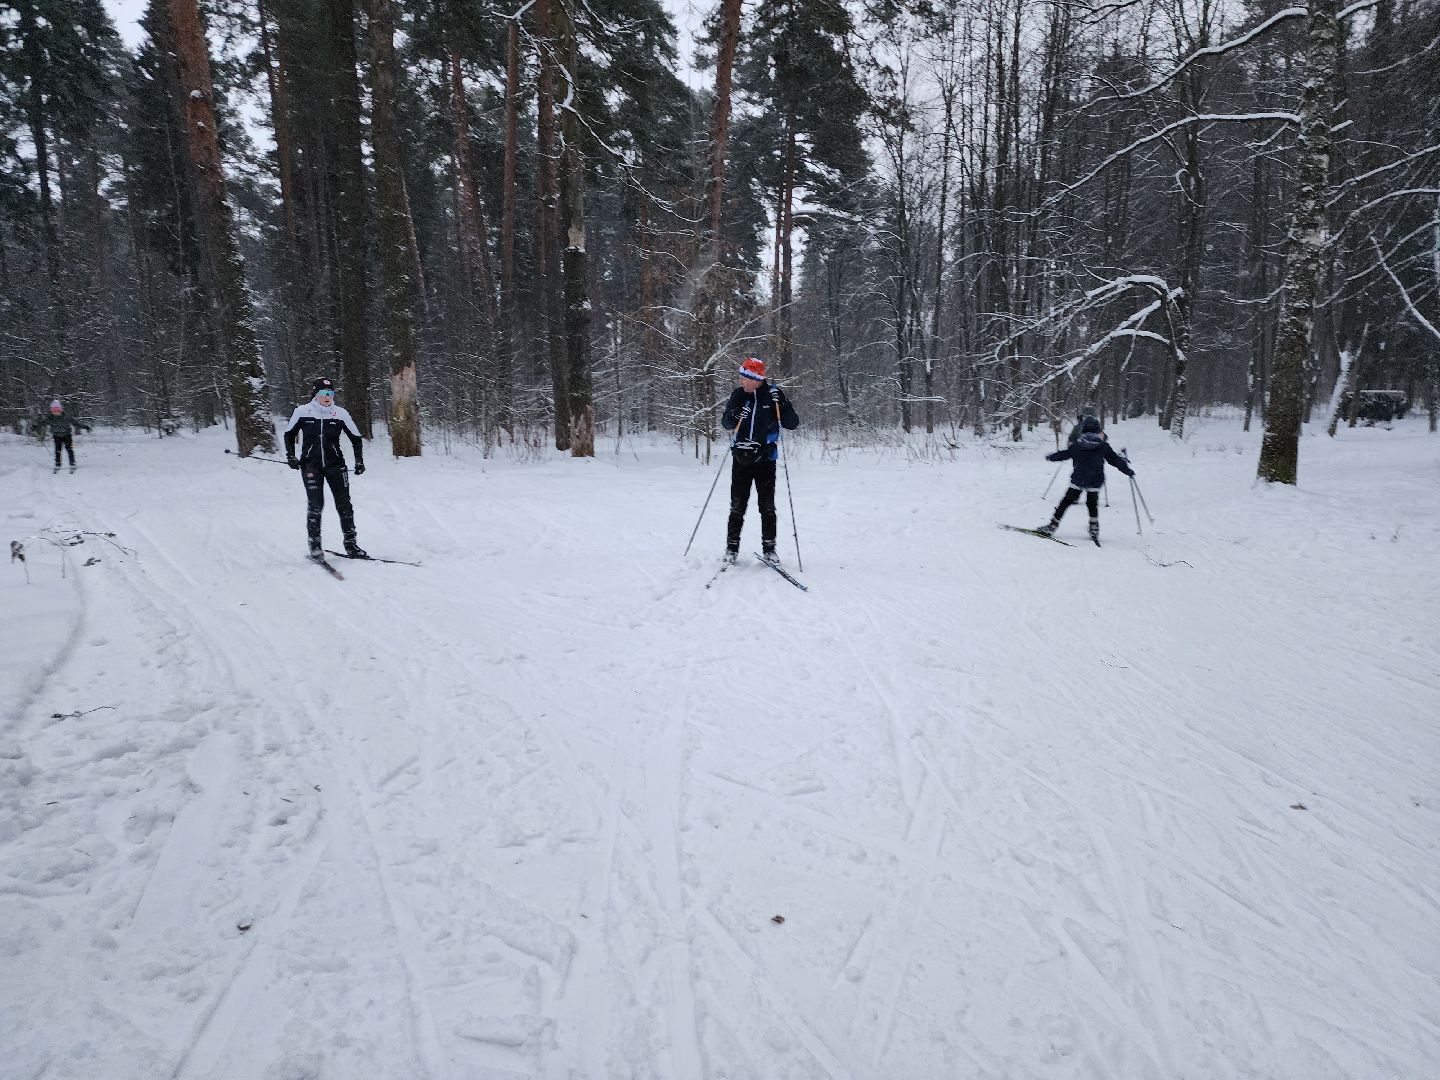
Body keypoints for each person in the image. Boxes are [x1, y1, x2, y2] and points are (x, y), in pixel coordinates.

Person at [719, 357, 799, 564]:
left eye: (745, 378)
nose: (741, 382)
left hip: (765, 460)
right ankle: (731, 549)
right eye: (741, 377)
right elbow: (726, 423)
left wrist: (782, 402)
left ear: (756, 379)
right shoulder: (738, 395)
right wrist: (736, 413)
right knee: (737, 506)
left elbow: (792, 423)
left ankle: (770, 551)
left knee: (767, 507)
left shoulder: (772, 395)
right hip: (741, 459)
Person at [283, 377, 367, 559]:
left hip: (335, 465)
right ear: (315, 394)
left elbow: (356, 438)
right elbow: (289, 435)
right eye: (323, 393)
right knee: (316, 505)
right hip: (310, 466)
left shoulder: (340, 413)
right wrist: (291, 456)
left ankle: (351, 545)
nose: (327, 397)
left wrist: (359, 461)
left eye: (330, 393)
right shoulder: (302, 412)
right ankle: (315, 546)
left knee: (344, 505)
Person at [1038, 414, 1134, 545]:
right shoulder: (1103, 446)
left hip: (1079, 480)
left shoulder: (1077, 445)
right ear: (1097, 430)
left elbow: (1065, 454)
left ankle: (1052, 526)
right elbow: (1115, 460)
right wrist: (1127, 470)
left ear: (1083, 430)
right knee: (1092, 503)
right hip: (1095, 479)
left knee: (1066, 502)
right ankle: (1094, 527)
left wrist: (1052, 457)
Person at [34, 399, 91, 472]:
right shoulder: (50, 418)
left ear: (60, 410)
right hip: (56, 436)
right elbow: (43, 423)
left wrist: (85, 426)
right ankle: (57, 465)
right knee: (58, 450)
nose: (56, 412)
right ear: (51, 410)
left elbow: (76, 423)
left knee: (69, 450)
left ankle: (72, 464)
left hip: (67, 435)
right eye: (54, 410)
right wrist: (36, 426)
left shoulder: (66, 417)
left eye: (57, 410)